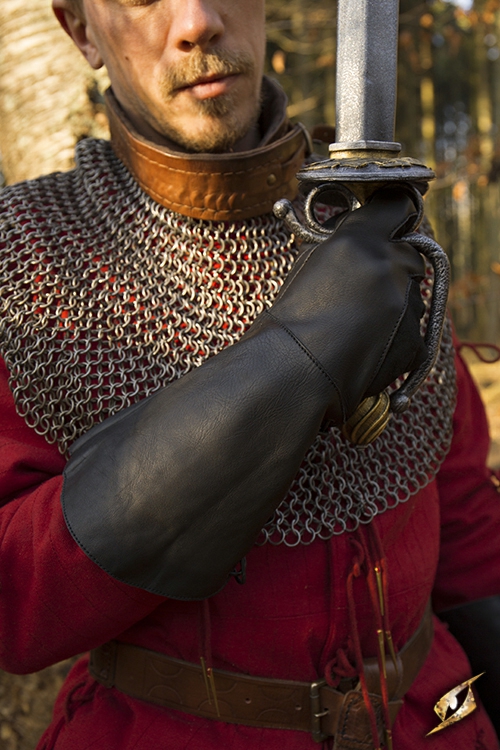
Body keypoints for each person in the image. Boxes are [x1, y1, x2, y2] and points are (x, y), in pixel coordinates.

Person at [0, 1, 499, 748]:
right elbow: (14, 604)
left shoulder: (374, 217)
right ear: (80, 31)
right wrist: (295, 358)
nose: (197, 19)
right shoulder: (32, 259)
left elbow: (458, 507)